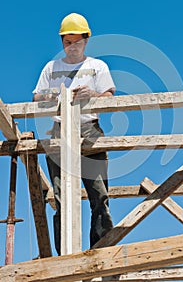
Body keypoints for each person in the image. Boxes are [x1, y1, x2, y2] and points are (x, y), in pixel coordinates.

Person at [33, 13, 115, 255]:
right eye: (67, 42)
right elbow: (36, 97)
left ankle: (100, 252)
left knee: (99, 195)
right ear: (62, 42)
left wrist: (92, 95)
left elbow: (109, 98)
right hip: (59, 130)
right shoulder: (52, 67)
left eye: (76, 42)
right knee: (61, 198)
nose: (72, 47)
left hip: (89, 128)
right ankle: (65, 257)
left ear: (86, 41)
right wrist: (48, 97)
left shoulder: (97, 67)